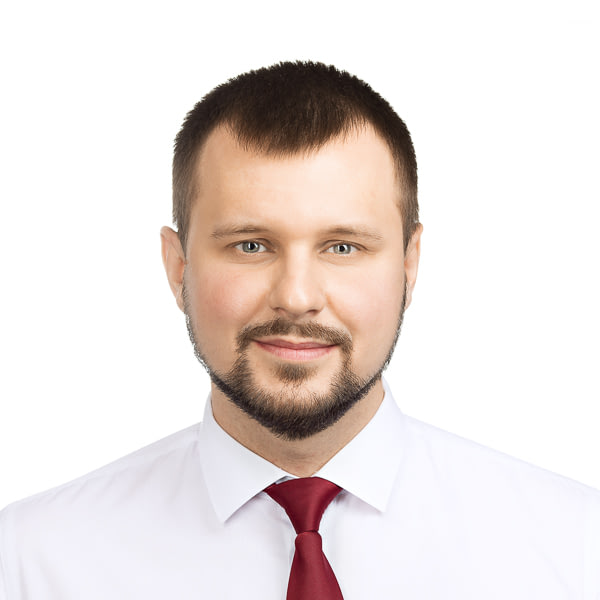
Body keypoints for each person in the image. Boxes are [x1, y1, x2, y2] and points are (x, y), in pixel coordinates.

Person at [1, 61, 598, 599]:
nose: (297, 297)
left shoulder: (576, 548)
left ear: (409, 264)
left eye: (343, 247)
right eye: (251, 245)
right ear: (178, 266)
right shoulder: (29, 563)